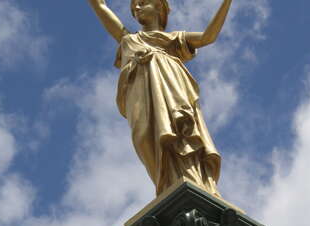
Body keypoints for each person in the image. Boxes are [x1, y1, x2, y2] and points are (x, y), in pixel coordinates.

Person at [88, 0, 233, 197]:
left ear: (158, 6)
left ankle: (192, 180)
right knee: (144, 138)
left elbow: (208, 36)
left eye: (142, 3)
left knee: (179, 133)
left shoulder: (173, 39)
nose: (136, 9)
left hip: (171, 87)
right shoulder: (129, 39)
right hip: (140, 95)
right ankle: (167, 185)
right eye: (133, 8)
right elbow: (100, 6)